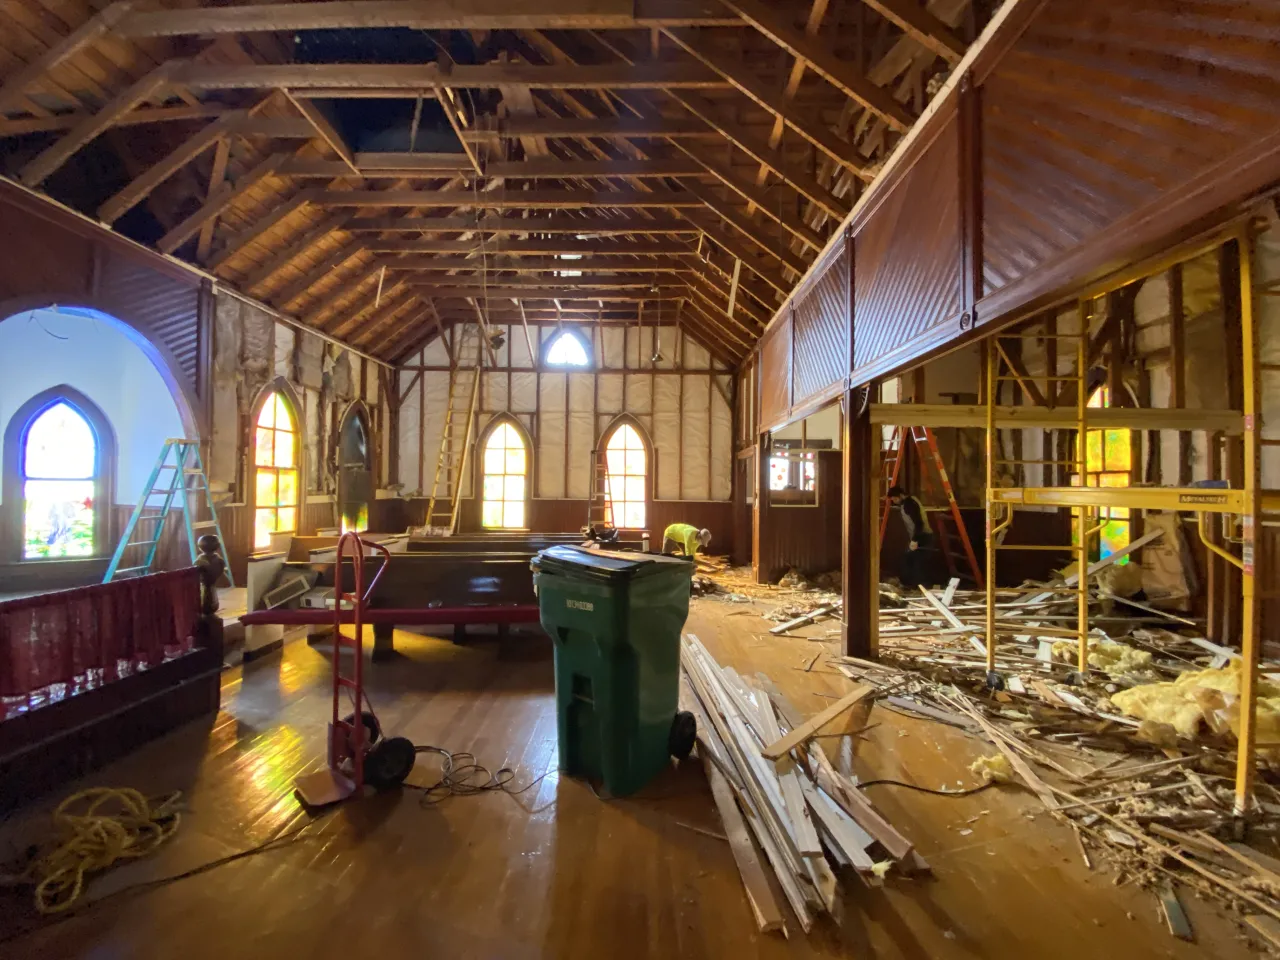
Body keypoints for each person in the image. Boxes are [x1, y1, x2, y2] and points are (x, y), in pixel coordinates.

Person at [888, 485, 932, 589]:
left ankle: (920, 587)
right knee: (911, 560)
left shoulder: (909, 505)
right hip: (920, 535)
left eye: (895, 499)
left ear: (901, 495)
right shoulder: (909, 501)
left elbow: (919, 523)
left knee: (917, 563)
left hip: (922, 536)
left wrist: (915, 540)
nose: (894, 501)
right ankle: (915, 585)